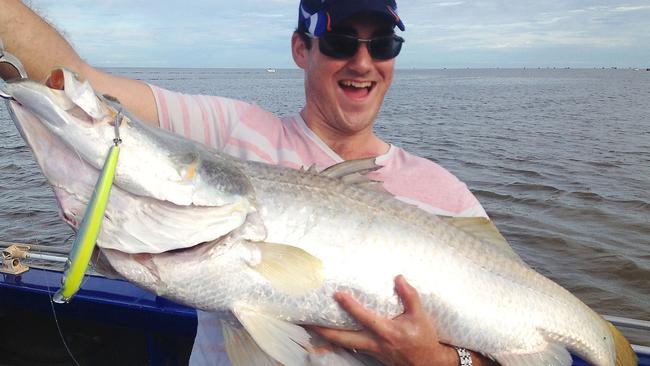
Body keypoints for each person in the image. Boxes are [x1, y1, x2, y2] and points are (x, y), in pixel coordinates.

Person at [0, 0, 497, 365]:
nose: (363, 63)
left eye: (383, 44)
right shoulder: (229, 132)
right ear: (301, 48)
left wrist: (441, 361)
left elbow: (516, 349)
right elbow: (72, 79)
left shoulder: (444, 193)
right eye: (341, 42)